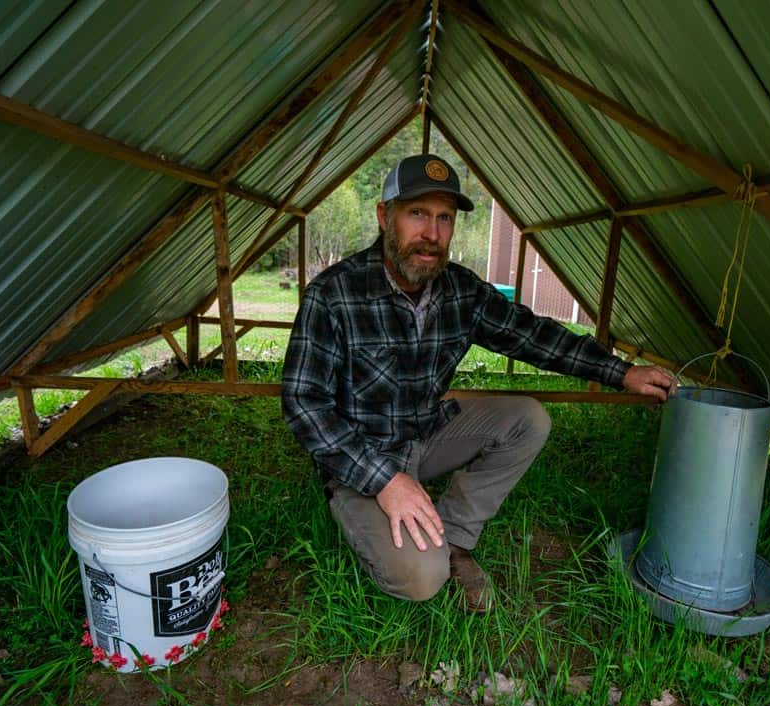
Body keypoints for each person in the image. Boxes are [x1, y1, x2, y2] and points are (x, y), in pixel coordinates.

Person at [282, 154, 676, 612]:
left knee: (527, 419)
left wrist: (620, 371)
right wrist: (384, 480)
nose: (432, 233)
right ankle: (367, 513)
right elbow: (302, 401)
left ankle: (455, 537)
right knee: (422, 578)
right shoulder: (334, 294)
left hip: (426, 435)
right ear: (383, 215)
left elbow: (532, 335)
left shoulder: (460, 291)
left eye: (444, 218)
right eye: (417, 214)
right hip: (361, 460)